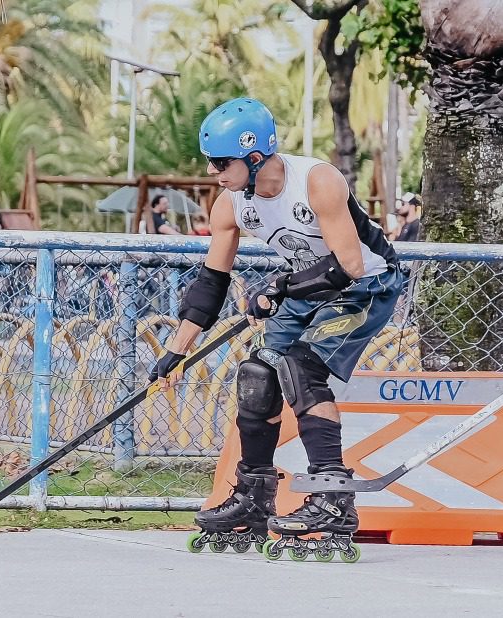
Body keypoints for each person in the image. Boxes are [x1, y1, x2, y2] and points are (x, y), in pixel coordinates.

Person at [149, 98, 402, 560]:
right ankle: (253, 496)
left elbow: (347, 266)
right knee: (258, 374)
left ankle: (332, 498)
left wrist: (278, 286)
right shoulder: (230, 205)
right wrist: (176, 350)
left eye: (221, 164)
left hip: (366, 287)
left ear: (253, 157)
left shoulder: (317, 182)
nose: (213, 173)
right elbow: (211, 284)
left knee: (302, 367)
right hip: (305, 289)